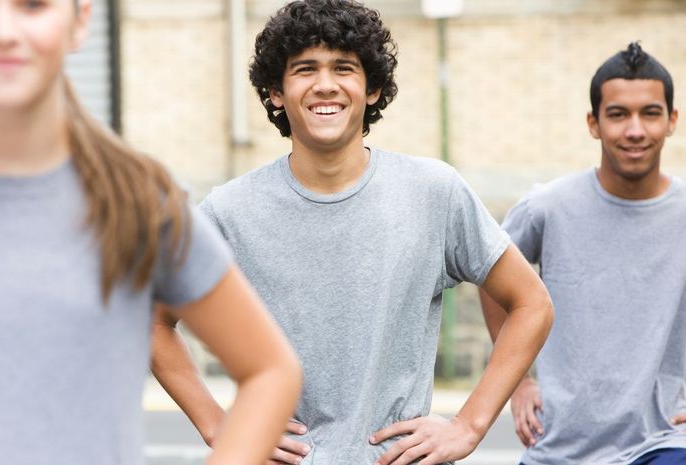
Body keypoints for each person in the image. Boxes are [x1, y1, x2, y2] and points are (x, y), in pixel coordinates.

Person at [0, 1, 303, 464]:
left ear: (80, 22)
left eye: (33, 6)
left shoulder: (140, 203)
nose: (4, 31)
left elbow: (270, 370)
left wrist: (225, 436)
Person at [150, 1, 554, 464]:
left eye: (344, 68)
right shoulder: (229, 211)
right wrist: (218, 425)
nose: (325, 84)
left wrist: (469, 425)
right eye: (304, 69)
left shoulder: (432, 192)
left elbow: (532, 304)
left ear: (373, 89)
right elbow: (153, 321)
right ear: (276, 92)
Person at [480, 42, 686, 465]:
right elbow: (489, 277)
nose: (635, 130)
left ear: (671, 121)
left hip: (664, 441)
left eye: (650, 113)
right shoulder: (547, 208)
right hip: (559, 447)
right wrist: (519, 382)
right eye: (617, 114)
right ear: (593, 123)